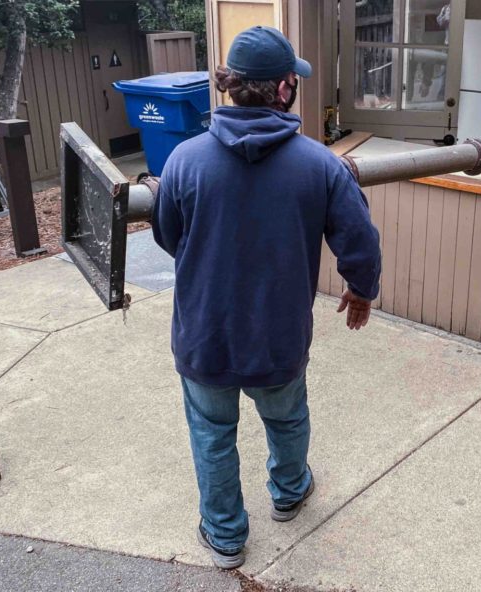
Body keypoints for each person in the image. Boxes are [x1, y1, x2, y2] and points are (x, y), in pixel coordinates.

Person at [151, 26, 382, 570]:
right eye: (293, 81)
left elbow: (168, 235)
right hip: (277, 338)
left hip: (204, 337)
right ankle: (289, 491)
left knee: (211, 434)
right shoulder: (321, 165)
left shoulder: (184, 161)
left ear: (231, 87)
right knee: (286, 419)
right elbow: (360, 241)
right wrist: (362, 289)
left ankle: (226, 536)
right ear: (283, 89)